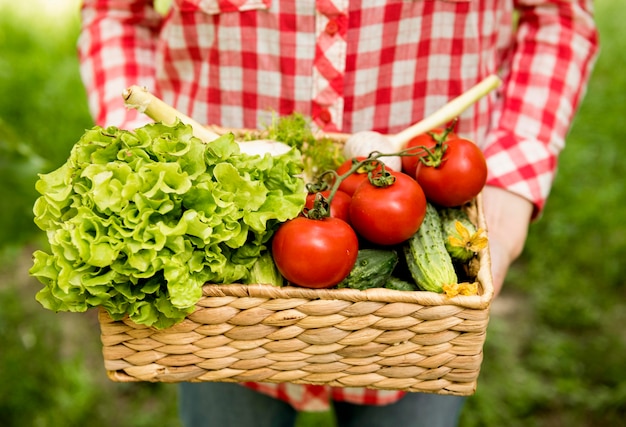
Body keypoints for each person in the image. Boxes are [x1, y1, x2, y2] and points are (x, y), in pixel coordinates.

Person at [77, 1, 598, 426]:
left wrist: (512, 186)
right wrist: (138, 163)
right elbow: (115, 13)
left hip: (425, 299)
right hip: (217, 299)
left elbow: (559, 16)